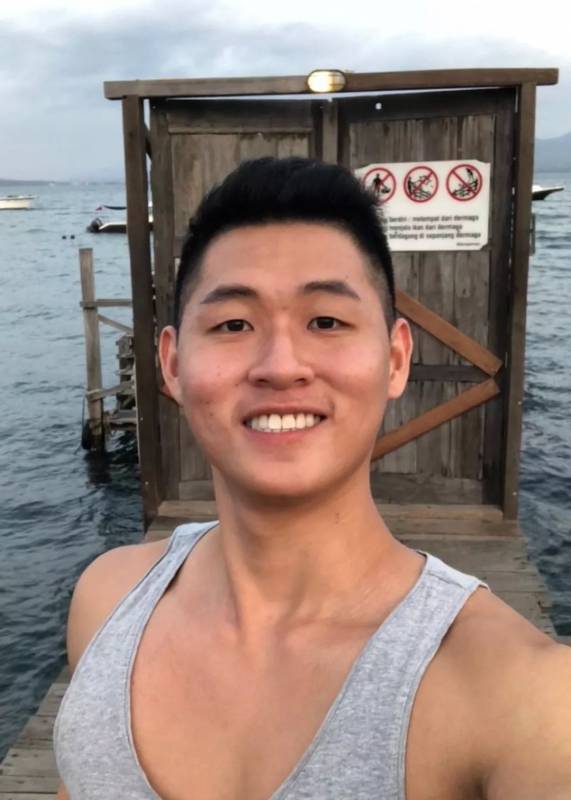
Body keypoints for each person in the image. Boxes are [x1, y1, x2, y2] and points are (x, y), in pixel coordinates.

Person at [54, 157, 571, 799]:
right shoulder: (106, 601)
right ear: (173, 364)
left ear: (395, 359)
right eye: (233, 324)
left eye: (326, 321)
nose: (281, 365)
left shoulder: (519, 696)